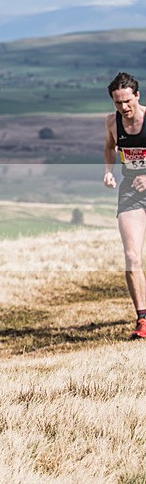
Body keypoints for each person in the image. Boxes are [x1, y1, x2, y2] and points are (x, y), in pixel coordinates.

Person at [104, 71, 146, 339]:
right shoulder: (111, 121)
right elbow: (109, 147)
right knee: (132, 256)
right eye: (118, 103)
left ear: (137, 95)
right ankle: (143, 320)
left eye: (127, 101)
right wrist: (108, 170)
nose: (123, 107)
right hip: (131, 189)